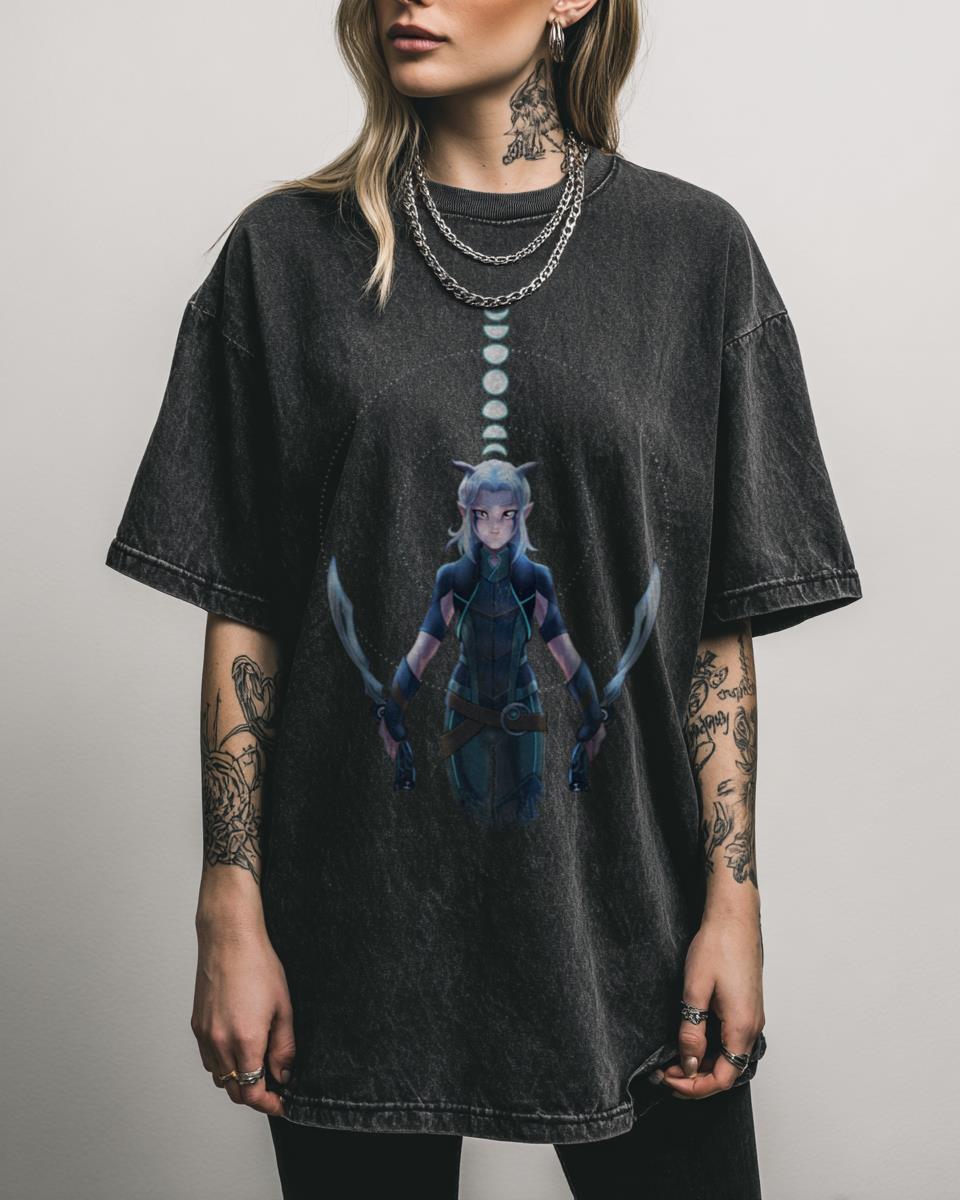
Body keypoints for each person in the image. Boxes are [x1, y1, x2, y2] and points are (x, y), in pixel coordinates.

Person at [104, 0, 864, 1196]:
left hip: (629, 921)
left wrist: (734, 901)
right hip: (353, 927)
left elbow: (714, 634)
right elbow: (245, 609)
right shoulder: (285, 257)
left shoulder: (694, 255)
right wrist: (229, 905)